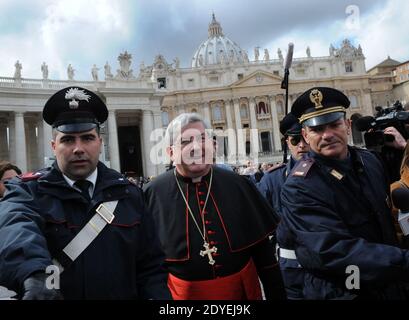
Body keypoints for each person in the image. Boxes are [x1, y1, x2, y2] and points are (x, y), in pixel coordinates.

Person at [0, 86, 171, 300]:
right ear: (54, 146)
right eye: (68, 139)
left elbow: (151, 268)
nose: (78, 148)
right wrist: (34, 274)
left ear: (100, 143)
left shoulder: (129, 194)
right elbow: (14, 226)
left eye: (87, 138)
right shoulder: (28, 191)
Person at [280, 86, 409, 299]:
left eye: (334, 124)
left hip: (388, 284)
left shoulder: (371, 161)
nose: (328, 135)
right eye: (317, 129)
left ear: (347, 125)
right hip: (343, 291)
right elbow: (333, 250)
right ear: (305, 134)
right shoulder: (299, 187)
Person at [143, 113, 285, 300]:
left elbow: (264, 255)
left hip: (240, 294)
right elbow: (147, 266)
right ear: (170, 152)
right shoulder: (152, 193)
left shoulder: (238, 184)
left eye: (203, 139)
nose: (197, 147)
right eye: (185, 142)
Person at [257, 113, 310, 299]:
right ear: (287, 142)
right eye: (295, 140)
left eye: (304, 138)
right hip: (291, 269)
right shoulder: (272, 179)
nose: (301, 145)